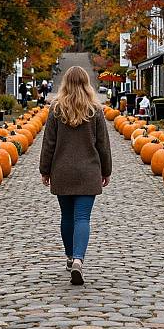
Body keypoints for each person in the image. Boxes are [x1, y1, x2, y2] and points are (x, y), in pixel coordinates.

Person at [39, 66, 112, 285]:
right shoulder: (95, 109)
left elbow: (49, 143)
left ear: (65, 83)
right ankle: (79, 259)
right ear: (86, 83)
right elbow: (103, 145)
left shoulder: (56, 109)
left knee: (67, 217)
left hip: (62, 171)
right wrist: (106, 170)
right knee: (82, 218)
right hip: (88, 172)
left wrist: (45, 169)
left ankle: (70, 257)